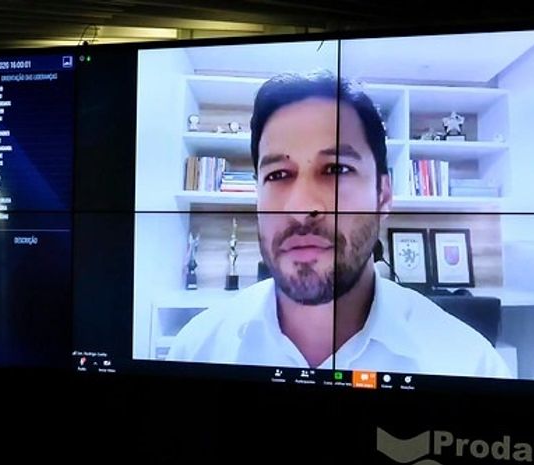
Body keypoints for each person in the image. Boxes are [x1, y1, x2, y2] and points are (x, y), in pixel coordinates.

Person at [168, 70, 511, 378]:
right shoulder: (196, 351)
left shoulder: (471, 366)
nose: (301, 208)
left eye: (336, 169)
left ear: (383, 196)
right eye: (278, 175)